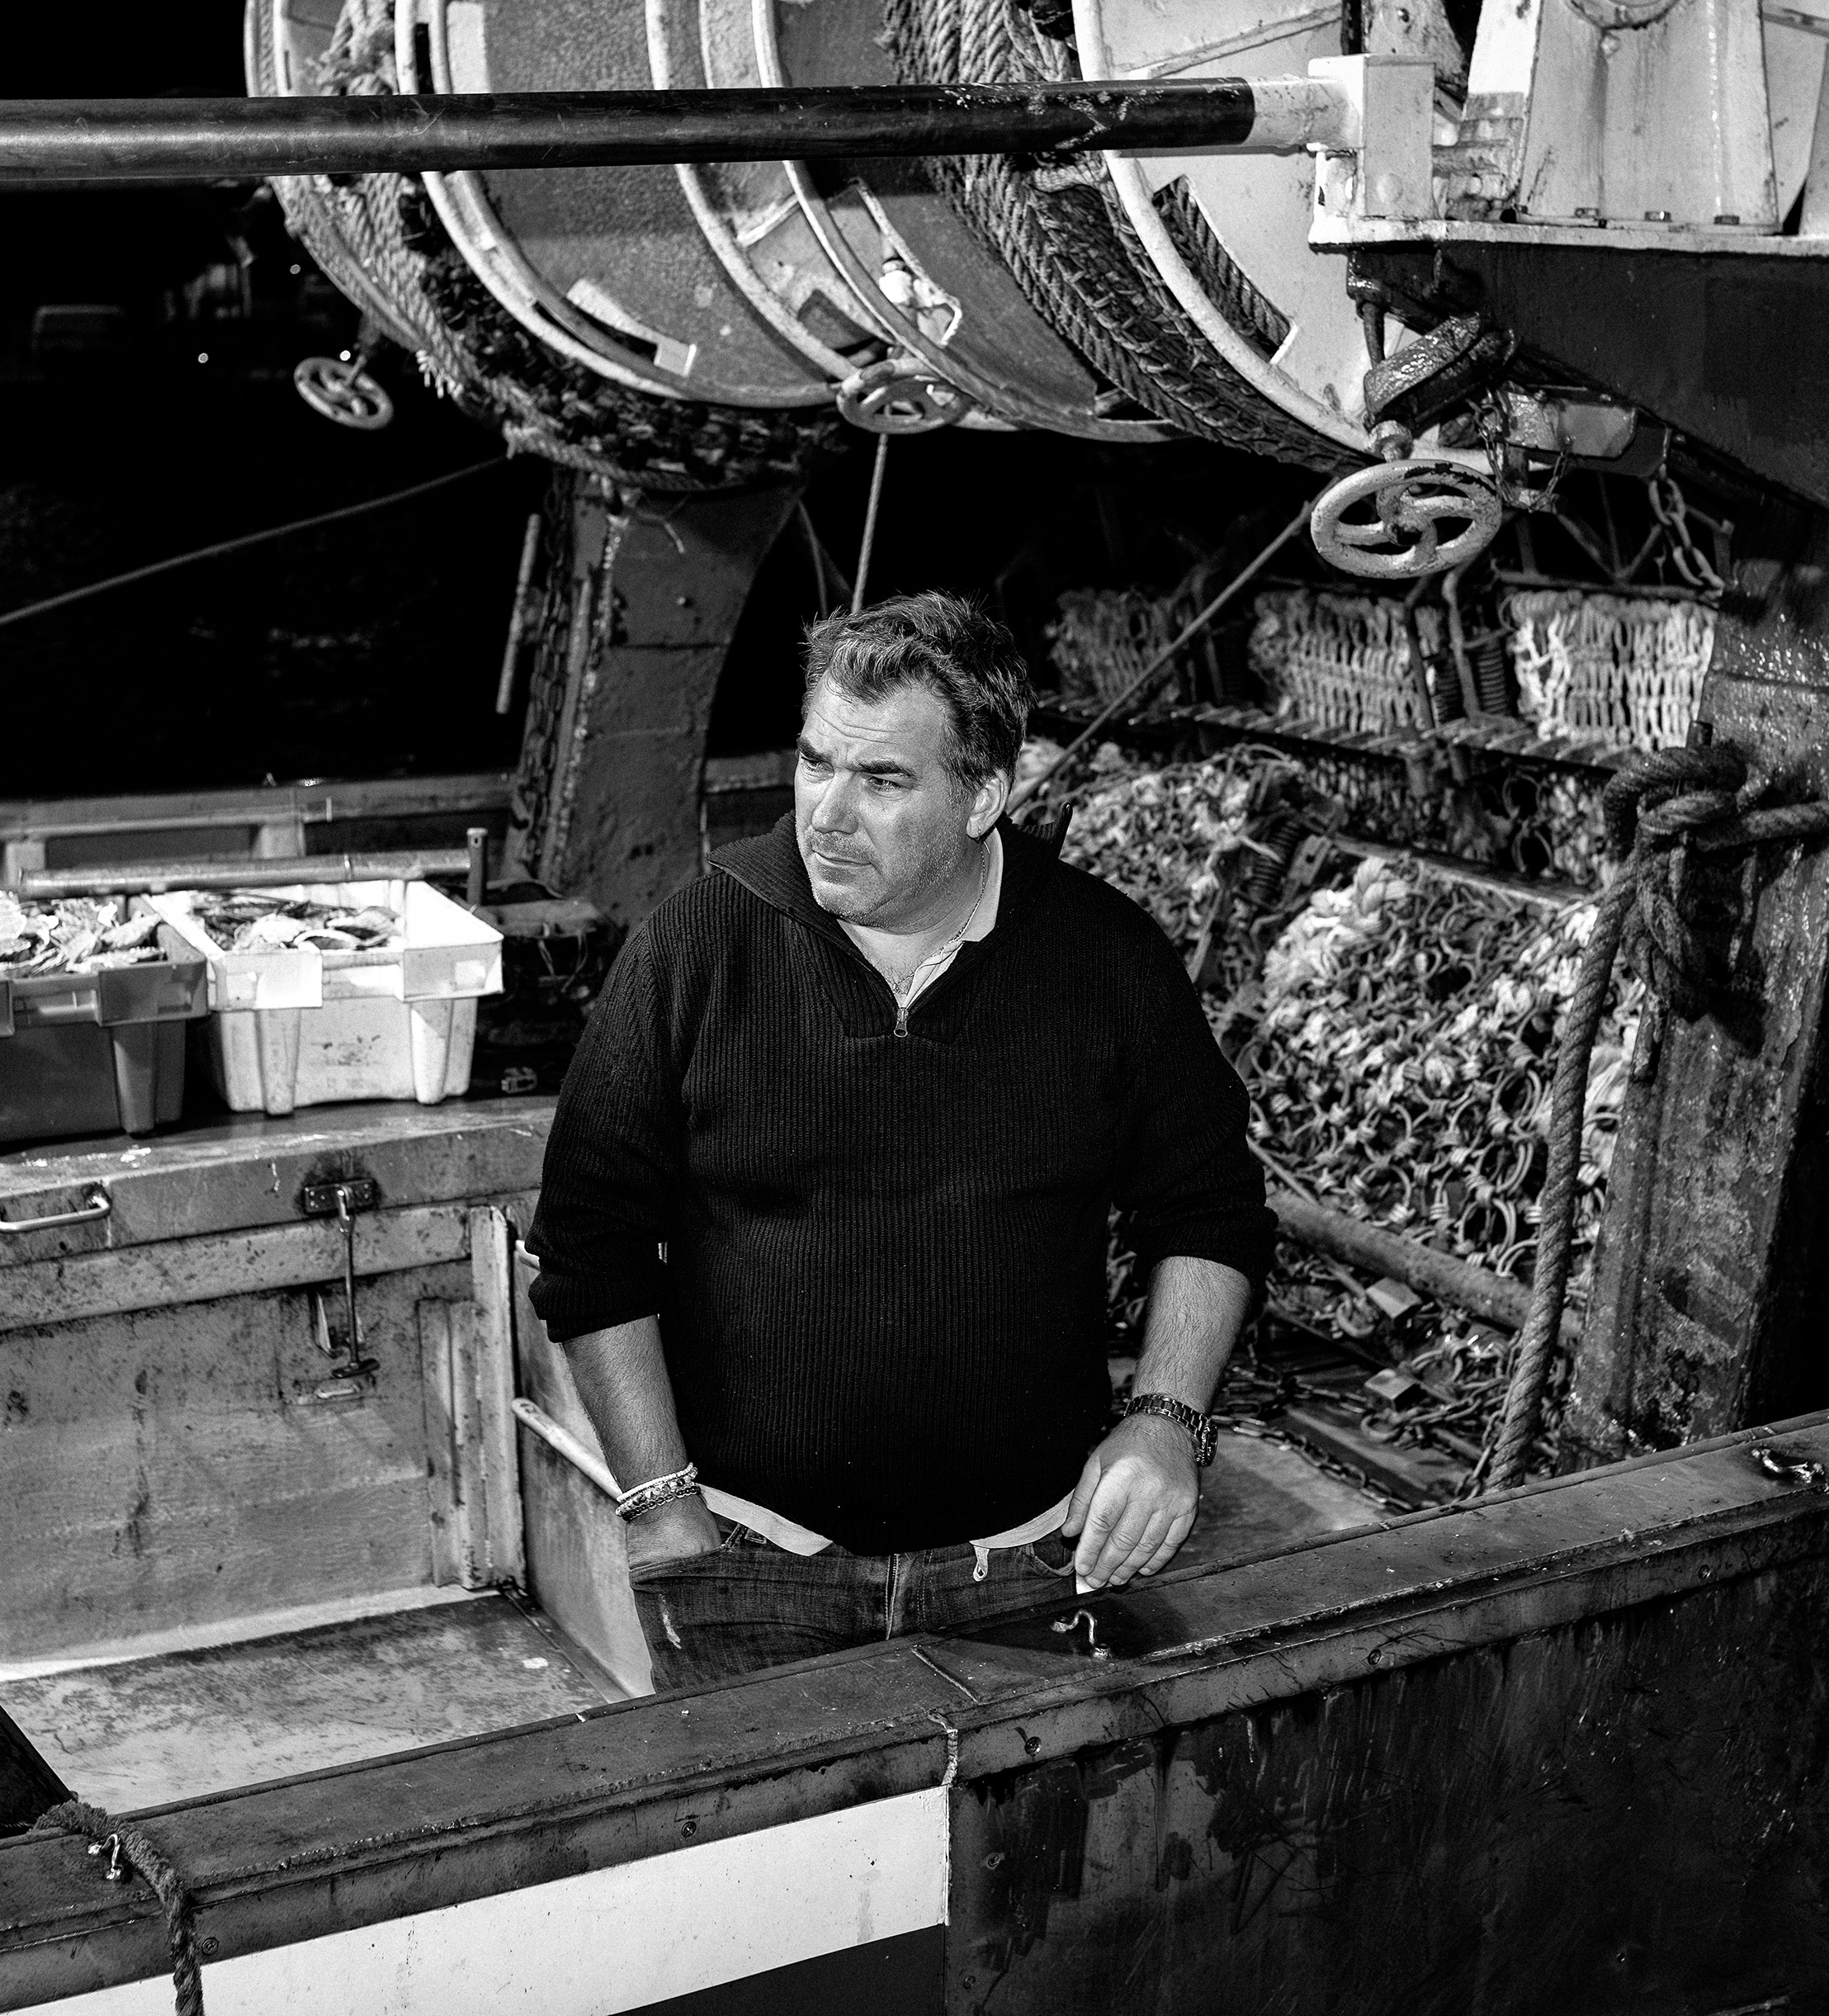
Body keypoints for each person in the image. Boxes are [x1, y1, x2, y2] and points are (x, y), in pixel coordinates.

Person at [526, 591, 1271, 1689]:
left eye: (881, 782)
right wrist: (659, 1505)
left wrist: (1166, 1422)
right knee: (769, 1865)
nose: (827, 813)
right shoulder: (695, 945)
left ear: (984, 797)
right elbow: (590, 1252)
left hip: (1032, 1561)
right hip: (744, 1562)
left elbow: (1210, 1208)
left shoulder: (1106, 961)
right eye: (817, 761)